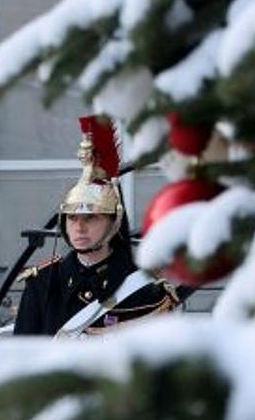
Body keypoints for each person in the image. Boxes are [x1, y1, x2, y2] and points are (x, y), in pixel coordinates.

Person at [14, 116, 178, 337]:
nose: (79, 227)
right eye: (72, 218)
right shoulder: (43, 283)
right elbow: (23, 355)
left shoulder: (145, 288)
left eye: (91, 218)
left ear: (113, 223)